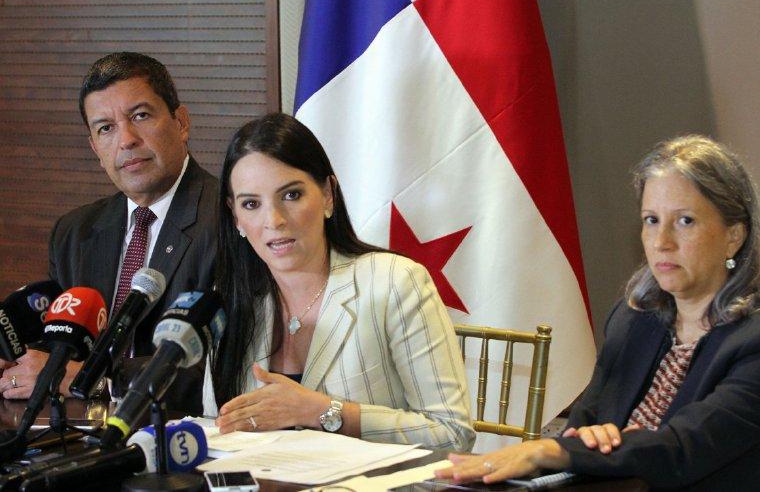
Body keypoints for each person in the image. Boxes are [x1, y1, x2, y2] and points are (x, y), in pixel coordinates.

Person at [436, 135, 760, 489]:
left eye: (685, 221)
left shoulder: (752, 339)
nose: (661, 241)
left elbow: (683, 448)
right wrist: (586, 440)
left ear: (734, 236)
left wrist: (551, 449)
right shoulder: (634, 319)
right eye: (651, 220)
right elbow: (585, 425)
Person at [203, 112, 475, 451]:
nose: (273, 220)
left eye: (291, 195)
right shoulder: (229, 300)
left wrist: (320, 411)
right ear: (235, 217)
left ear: (328, 194)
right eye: (251, 204)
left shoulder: (394, 282)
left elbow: (452, 433)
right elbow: (217, 427)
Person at [0, 52, 218, 414]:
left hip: (182, 433)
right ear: (95, 149)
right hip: (79, 433)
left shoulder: (229, 220)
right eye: (106, 128)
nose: (126, 140)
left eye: (140, 116)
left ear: (181, 122)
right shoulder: (74, 233)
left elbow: (223, 369)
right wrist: (18, 360)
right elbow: (61, 343)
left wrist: (96, 381)